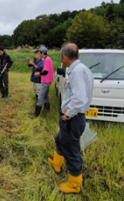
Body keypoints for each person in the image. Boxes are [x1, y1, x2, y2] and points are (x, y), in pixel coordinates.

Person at [47, 43, 93, 194]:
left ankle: (74, 185)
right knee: (60, 139)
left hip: (72, 118)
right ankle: (57, 164)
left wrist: (68, 113)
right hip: (72, 117)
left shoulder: (76, 72)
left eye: (61, 56)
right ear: (78, 55)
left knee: (72, 151)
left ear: (64, 57)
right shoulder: (82, 68)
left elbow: (79, 98)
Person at [31, 46, 54, 118]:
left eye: (39, 53)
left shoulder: (46, 60)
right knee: (46, 96)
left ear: (43, 53)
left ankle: (36, 114)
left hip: (46, 81)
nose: (39, 54)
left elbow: (46, 71)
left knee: (40, 97)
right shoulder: (47, 58)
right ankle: (47, 109)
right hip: (47, 80)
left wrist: (39, 74)